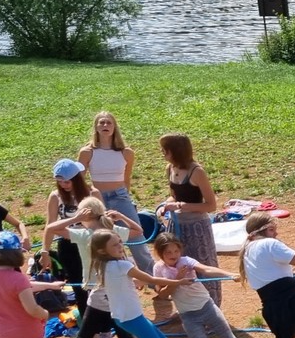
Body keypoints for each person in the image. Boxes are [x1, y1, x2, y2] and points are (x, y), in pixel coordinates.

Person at [153, 233, 269, 338]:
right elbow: (162, 294)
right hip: (188, 316)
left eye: (176, 250)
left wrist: (229, 274)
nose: (173, 255)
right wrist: (177, 280)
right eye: (168, 252)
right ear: (160, 253)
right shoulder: (158, 269)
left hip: (207, 308)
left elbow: (206, 269)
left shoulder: (186, 261)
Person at [48, 196, 150, 338]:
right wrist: (121, 216)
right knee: (121, 332)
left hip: (98, 292)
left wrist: (75, 218)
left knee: (88, 332)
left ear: (85, 215)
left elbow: (51, 228)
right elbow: (138, 231)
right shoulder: (113, 231)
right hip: (114, 290)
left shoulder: (84, 234)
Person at [78, 110, 153, 269]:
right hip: (97, 199)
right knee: (100, 237)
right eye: (101, 122)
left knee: (136, 236)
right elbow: (79, 180)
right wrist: (91, 194)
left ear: (114, 127)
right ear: (96, 127)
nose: (105, 125)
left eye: (109, 123)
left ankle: (151, 277)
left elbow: (127, 179)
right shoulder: (87, 152)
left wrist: (126, 196)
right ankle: (104, 274)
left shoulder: (126, 152)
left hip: (120, 196)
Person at [158, 133, 225, 306]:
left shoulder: (197, 172)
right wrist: (164, 205)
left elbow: (211, 205)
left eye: (165, 150)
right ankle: (188, 306)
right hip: (177, 225)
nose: (162, 153)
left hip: (197, 227)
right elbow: (174, 196)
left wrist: (181, 205)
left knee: (201, 266)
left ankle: (212, 307)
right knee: (177, 267)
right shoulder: (170, 169)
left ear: (175, 151)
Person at [45, 158, 94, 319]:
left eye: (67, 181)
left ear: (76, 179)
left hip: (90, 243)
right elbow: (50, 225)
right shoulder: (55, 196)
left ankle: (105, 323)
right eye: (60, 182)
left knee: (96, 284)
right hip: (68, 244)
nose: (64, 185)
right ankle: (87, 324)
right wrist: (45, 251)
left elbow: (101, 222)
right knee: (79, 287)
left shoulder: (92, 194)